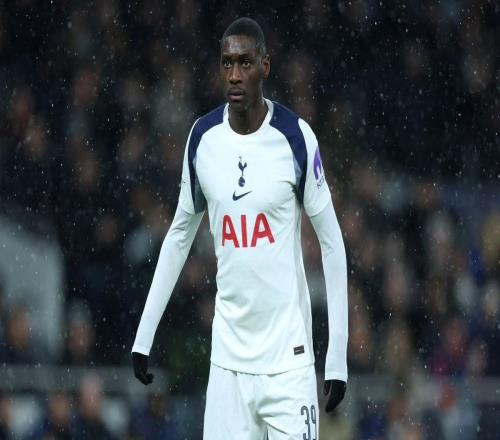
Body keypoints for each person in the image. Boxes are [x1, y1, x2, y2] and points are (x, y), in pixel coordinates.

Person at [132, 17, 348, 439]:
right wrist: (144, 335)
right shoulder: (203, 139)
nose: (234, 74)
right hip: (227, 366)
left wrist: (336, 357)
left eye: (245, 63)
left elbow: (332, 243)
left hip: (289, 364)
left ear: (265, 66)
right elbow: (179, 236)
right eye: (227, 63)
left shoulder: (295, 137)